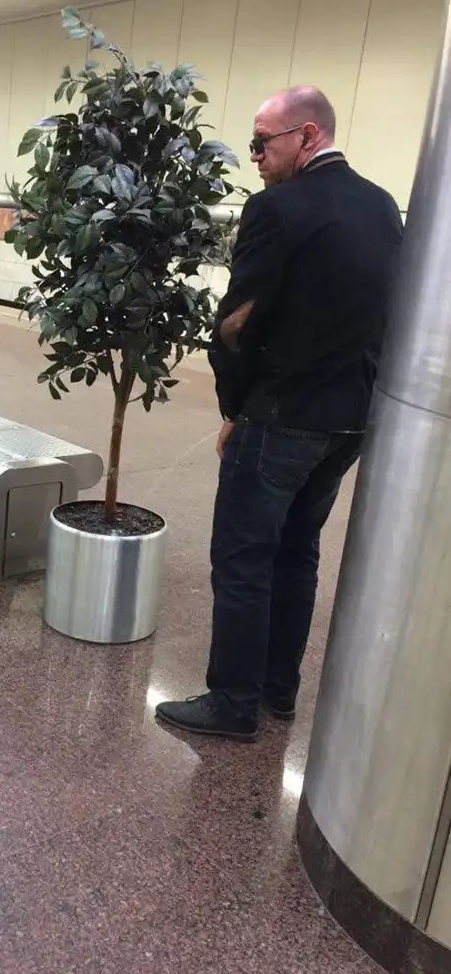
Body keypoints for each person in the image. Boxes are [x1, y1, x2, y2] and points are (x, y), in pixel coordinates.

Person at [156, 86, 404, 742]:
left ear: (308, 135)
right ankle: (278, 689)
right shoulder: (383, 206)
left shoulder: (276, 208)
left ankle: (232, 703)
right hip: (349, 419)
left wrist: (235, 406)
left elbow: (236, 322)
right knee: (298, 551)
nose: (255, 156)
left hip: (282, 414)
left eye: (264, 142)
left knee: (243, 556)